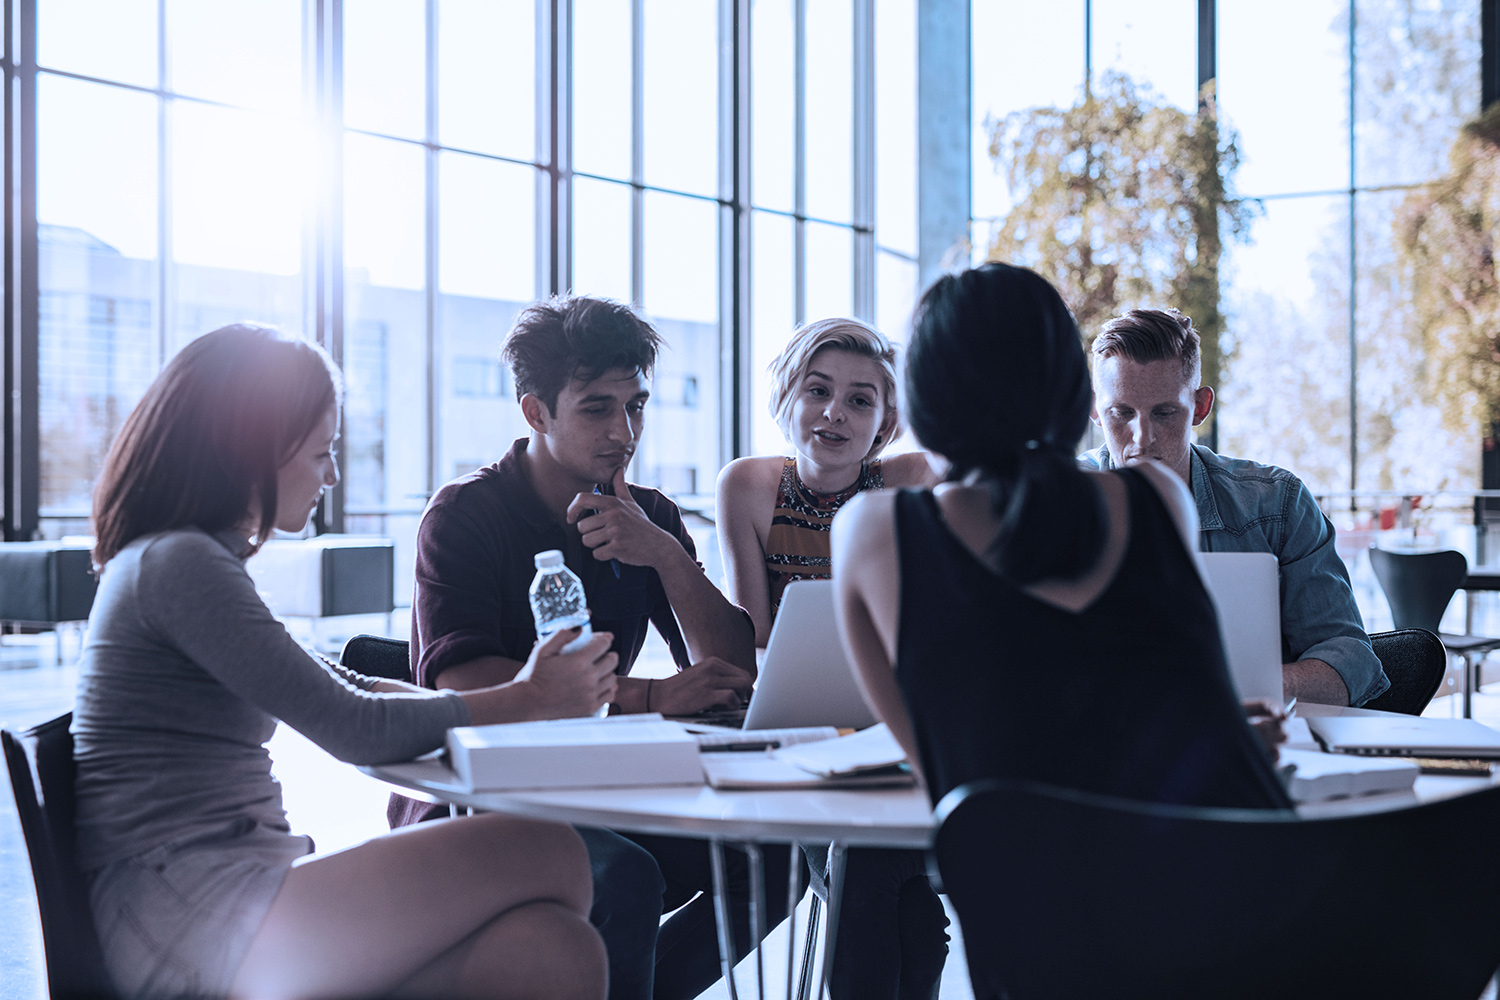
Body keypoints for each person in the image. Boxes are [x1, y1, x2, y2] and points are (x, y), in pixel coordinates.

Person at [73, 323, 612, 1000]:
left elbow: (345, 684)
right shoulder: (179, 565)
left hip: (219, 904)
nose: (331, 474)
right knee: (547, 849)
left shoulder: (187, 560)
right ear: (251, 447)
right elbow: (353, 727)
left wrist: (514, 696)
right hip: (191, 920)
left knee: (553, 953)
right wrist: (529, 698)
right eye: (322, 451)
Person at [391, 294, 791, 1000]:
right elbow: (464, 681)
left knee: (779, 852)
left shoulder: (652, 516)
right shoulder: (465, 515)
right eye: (597, 408)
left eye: (636, 406)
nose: (624, 431)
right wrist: (649, 697)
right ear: (536, 412)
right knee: (624, 878)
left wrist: (666, 555)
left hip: (601, 782)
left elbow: (733, 660)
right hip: (478, 798)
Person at [831, 263, 1293, 815]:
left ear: (921, 400)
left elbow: (952, 776)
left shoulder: (871, 532)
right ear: (1075, 394)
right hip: (1229, 879)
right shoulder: (1160, 498)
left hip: (1023, 891)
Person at [716, 317, 948, 1000]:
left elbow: (971, 463)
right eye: (817, 391)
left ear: (884, 421)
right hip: (795, 733)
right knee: (892, 889)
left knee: (893, 889)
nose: (833, 414)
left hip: (892, 729)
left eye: (860, 400)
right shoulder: (749, 486)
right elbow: (755, 637)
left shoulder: (904, 479)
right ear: (787, 396)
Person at [1078, 307, 1388, 707]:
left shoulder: (1277, 504)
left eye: (1165, 413)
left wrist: (1241, 688)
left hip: (1241, 740)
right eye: (1121, 413)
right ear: (1094, 409)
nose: (1143, 438)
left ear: (1200, 408)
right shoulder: (1053, 502)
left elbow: (1351, 662)